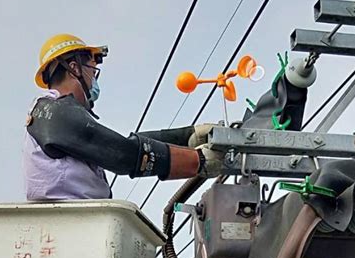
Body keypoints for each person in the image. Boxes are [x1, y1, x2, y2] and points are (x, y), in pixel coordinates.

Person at [23, 34, 223, 201]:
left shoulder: (57, 117)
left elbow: (117, 143)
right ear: (74, 68)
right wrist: (199, 160)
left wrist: (187, 137)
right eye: (93, 71)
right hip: (72, 226)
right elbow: (121, 152)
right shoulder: (54, 112)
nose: (94, 80)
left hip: (73, 225)